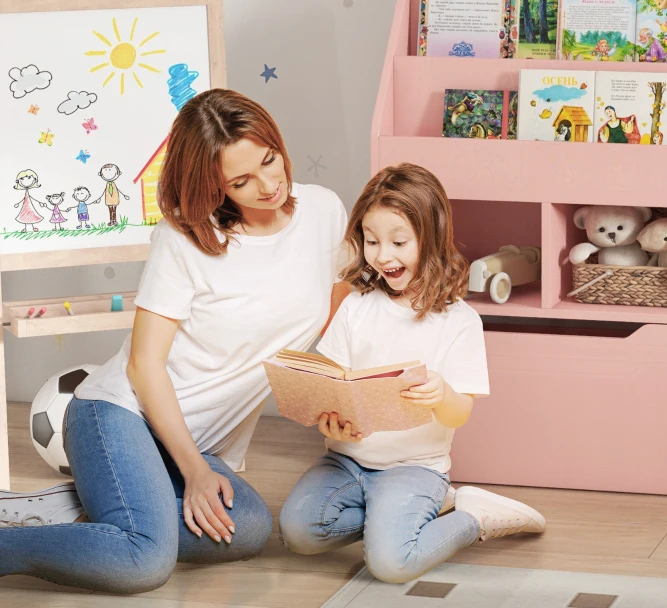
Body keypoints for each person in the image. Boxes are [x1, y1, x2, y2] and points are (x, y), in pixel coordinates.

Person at [0, 89, 349, 594]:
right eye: (240, 181)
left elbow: (336, 322)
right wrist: (194, 472)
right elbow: (144, 366)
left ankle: (68, 510)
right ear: (214, 184)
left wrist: (337, 398)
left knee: (247, 527)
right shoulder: (185, 238)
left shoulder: (324, 211)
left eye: (270, 160)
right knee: (144, 560)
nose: (269, 184)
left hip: (195, 443)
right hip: (120, 414)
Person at [279, 163, 545, 585]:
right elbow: (333, 385)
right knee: (298, 533)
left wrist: (442, 394)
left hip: (414, 467)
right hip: (345, 462)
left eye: (399, 241)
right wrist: (328, 420)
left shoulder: (459, 321)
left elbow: (460, 414)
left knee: (392, 564)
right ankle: (399, 516)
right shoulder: (356, 306)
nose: (383, 255)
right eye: (371, 241)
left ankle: (472, 515)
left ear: (431, 238)